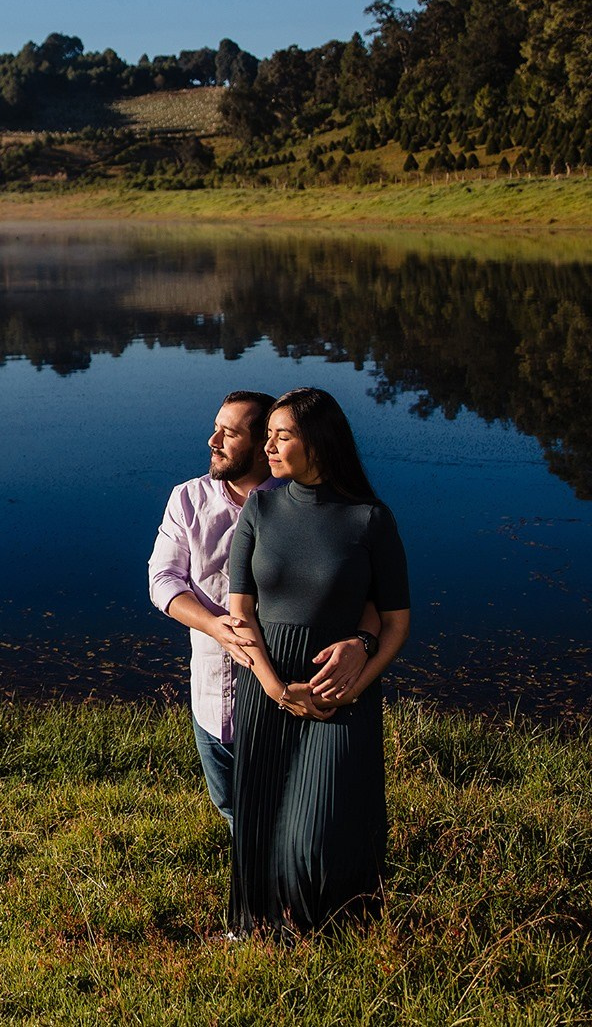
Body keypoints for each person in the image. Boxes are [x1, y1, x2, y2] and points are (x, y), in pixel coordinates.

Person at [224, 385, 411, 937]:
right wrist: (275, 686)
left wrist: (357, 679)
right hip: (266, 684)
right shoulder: (260, 506)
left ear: (321, 443)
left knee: (317, 830)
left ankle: (330, 929)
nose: (270, 447)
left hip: (339, 694)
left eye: (282, 437)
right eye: (267, 437)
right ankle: (258, 929)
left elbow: (397, 623)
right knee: (260, 822)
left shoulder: (370, 519)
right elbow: (241, 613)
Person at [147, 390, 379, 828]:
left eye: (228, 433)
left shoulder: (307, 504)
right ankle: (254, 893)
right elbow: (163, 581)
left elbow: (365, 590)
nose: (212, 441)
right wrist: (215, 627)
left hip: (291, 693)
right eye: (216, 428)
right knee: (235, 811)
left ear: (261, 446)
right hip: (212, 698)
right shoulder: (188, 499)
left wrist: (360, 643)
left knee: (298, 816)